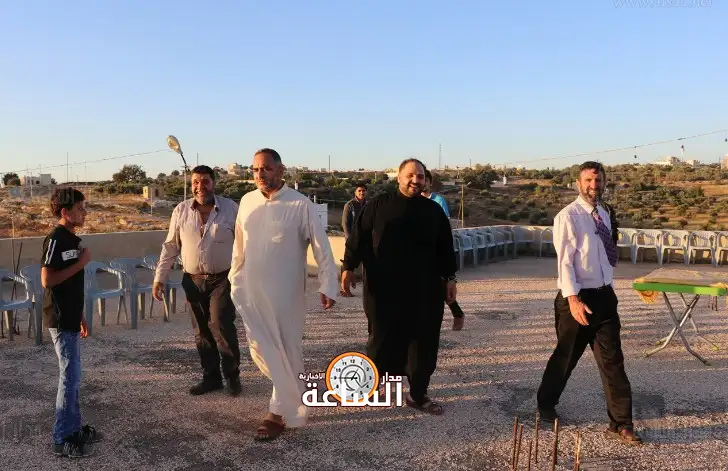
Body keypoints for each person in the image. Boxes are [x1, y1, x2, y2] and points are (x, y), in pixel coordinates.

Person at [229, 148, 339, 441]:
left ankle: (278, 412)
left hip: (286, 293)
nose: (259, 174)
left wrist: (328, 285)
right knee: (259, 347)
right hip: (252, 290)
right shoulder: (247, 201)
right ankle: (294, 391)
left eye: (265, 168)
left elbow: (321, 247)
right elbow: (239, 245)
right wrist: (235, 278)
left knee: (286, 348)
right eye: (255, 169)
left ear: (280, 170)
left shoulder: (300, 204)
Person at [536, 161, 642, 446]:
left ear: (604, 182)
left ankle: (621, 423)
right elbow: (564, 263)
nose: (593, 185)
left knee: (613, 361)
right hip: (577, 298)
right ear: (578, 183)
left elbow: (604, 256)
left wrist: (610, 289)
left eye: (598, 180)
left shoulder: (604, 214)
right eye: (588, 180)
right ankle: (545, 404)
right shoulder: (568, 217)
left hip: (604, 297)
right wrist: (572, 299)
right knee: (566, 357)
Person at [341, 158, 457, 415]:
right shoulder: (378, 205)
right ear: (399, 177)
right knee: (381, 338)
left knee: (423, 342)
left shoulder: (433, 211)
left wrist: (450, 278)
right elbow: (358, 237)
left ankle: (417, 394)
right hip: (383, 289)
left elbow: (446, 248)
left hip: (424, 290)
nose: (416, 180)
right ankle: (373, 387)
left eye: (421, 176)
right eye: (410, 175)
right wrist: (348, 267)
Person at [153, 165, 242, 397]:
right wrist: (160, 277)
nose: (200, 187)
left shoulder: (231, 208)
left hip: (222, 279)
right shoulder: (181, 210)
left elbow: (245, 245)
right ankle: (211, 378)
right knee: (201, 332)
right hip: (192, 280)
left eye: (205, 181)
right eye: (195, 182)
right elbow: (171, 246)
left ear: (214, 183)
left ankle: (232, 376)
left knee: (221, 326)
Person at [41, 187, 103, 458]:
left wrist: (80, 315)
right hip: (59, 318)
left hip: (70, 316)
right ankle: (62, 438)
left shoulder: (71, 239)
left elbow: (71, 286)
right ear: (65, 212)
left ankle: (74, 428)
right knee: (69, 377)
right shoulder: (56, 238)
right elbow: (47, 280)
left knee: (73, 376)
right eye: (80, 209)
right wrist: (82, 263)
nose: (84, 213)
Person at [423, 169, 465, 330]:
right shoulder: (414, 201)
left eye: (425, 180)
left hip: (437, 248)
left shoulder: (438, 200)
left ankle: (457, 313)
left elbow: (445, 225)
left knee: (443, 285)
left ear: (429, 183)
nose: (422, 183)